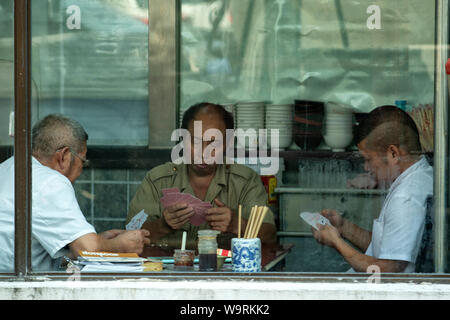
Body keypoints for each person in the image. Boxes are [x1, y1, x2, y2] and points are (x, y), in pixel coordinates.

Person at [0, 114, 150, 272]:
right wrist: (120, 245)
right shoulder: (50, 182)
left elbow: (58, 254)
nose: (80, 171)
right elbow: (87, 250)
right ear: (64, 156)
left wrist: (97, 241)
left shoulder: (8, 168)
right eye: (82, 162)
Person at [127, 102, 277, 250]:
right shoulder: (157, 180)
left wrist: (238, 225)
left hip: (225, 273)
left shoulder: (245, 181)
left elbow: (270, 236)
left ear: (228, 143)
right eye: (195, 141)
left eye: (214, 143)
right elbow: (129, 234)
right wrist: (163, 225)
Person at [312, 105, 433, 273]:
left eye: (368, 159)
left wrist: (337, 242)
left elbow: (388, 270)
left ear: (393, 153)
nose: (367, 167)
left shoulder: (406, 198)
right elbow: (387, 247)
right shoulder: (418, 176)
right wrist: (343, 227)